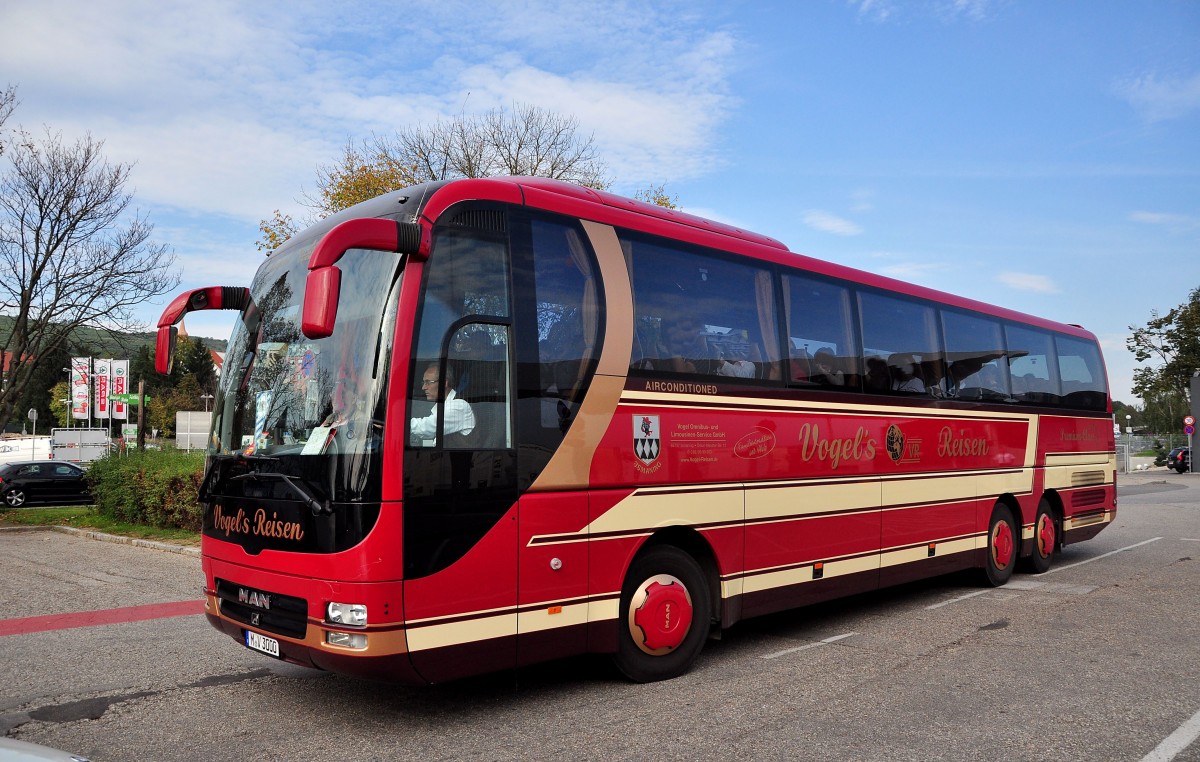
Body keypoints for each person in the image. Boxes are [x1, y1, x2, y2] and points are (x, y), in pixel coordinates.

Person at [410, 364, 476, 446]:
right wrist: (421, 444)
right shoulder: (442, 407)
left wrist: (400, 423)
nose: (423, 387)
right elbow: (435, 441)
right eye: (423, 382)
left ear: (444, 383)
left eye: (428, 382)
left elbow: (426, 427)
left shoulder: (459, 406)